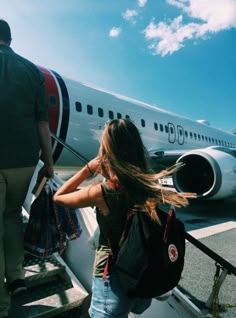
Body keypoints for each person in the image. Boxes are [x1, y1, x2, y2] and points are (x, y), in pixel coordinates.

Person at [53, 119, 195, 318]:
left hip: (112, 275)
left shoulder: (102, 192)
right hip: (143, 274)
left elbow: (58, 197)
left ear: (108, 150)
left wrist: (88, 170)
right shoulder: (150, 185)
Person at [0, 19, 54, 318]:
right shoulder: (31, 70)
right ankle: (17, 276)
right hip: (23, 160)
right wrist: (48, 161)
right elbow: (42, 124)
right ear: (10, 38)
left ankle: (2, 305)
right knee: (10, 215)